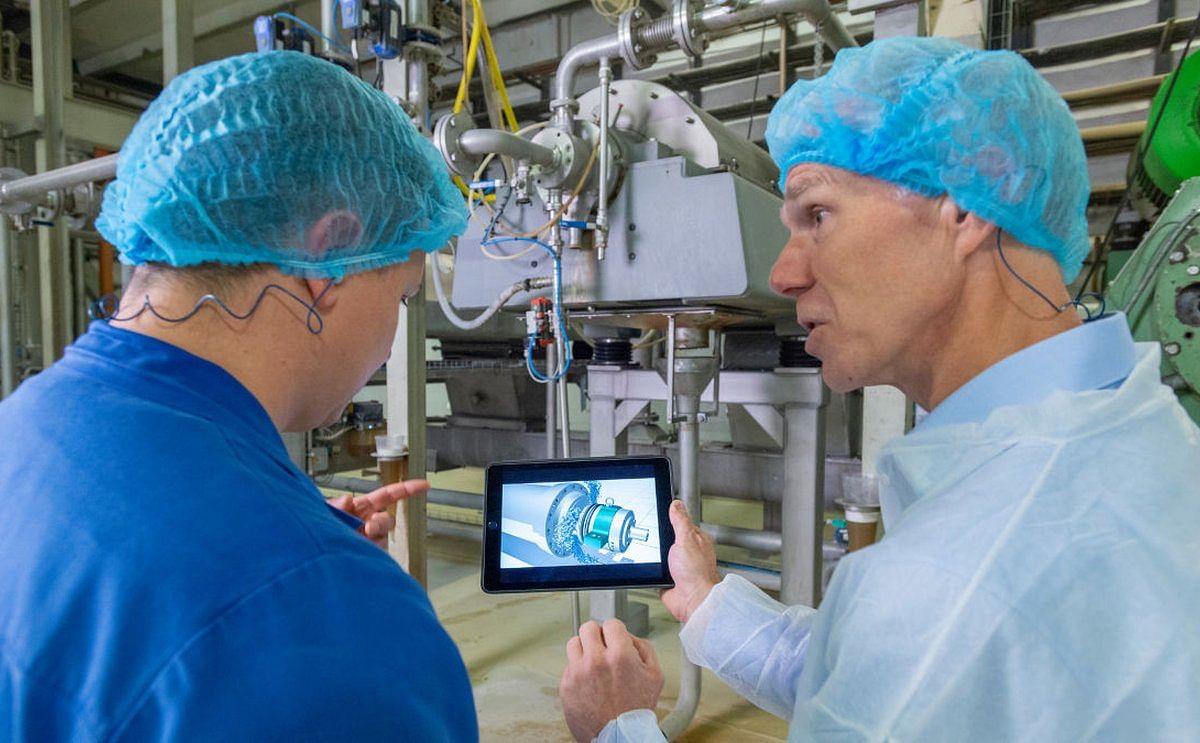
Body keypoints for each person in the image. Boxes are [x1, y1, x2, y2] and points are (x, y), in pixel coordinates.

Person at [559, 36, 1200, 741]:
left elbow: (923, 644)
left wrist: (617, 725)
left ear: (962, 207)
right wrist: (712, 605)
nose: (784, 273)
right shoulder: (1133, 426)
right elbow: (900, 679)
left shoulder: (957, 570)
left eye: (818, 216)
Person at [0, 51, 476, 740]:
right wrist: (314, 578)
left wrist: (283, 526)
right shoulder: (348, 633)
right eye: (402, 295)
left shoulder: (21, 425)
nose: (389, 338)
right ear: (331, 257)